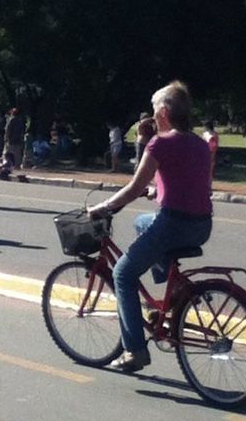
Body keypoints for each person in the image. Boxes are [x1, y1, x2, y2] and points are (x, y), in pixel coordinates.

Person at [90, 81, 212, 373]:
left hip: (173, 224)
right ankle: (175, 290)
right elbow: (189, 182)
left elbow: (133, 187)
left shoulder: (161, 143)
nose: (152, 114)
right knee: (141, 222)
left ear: (165, 112)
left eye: (155, 108)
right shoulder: (199, 143)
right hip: (201, 225)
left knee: (122, 273)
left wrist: (104, 207)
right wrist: (156, 192)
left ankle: (134, 351)